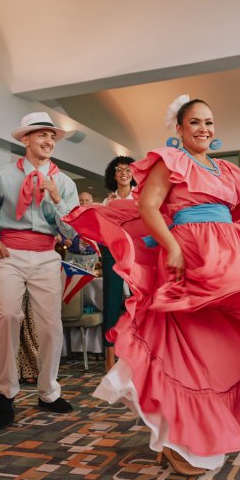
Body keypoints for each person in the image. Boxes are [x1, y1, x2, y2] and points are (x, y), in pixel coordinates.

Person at [65, 96, 240, 475]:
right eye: (195, 122)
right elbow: (148, 206)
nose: (204, 129)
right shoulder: (171, 160)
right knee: (188, 347)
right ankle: (178, 437)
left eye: (209, 123)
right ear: (179, 129)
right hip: (190, 258)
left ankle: (190, 432)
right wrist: (173, 247)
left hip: (227, 258)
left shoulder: (226, 169)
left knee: (224, 343)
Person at [0, 111, 79, 429]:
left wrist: (57, 199)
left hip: (47, 255)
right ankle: (5, 394)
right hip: (9, 253)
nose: (49, 141)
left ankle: (48, 392)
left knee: (51, 327)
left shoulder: (66, 182)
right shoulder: (2, 176)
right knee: (8, 317)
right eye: (42, 134)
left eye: (52, 136)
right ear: (26, 139)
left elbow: (70, 233)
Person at [100, 155, 137, 372]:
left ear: (133, 174)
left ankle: (137, 352)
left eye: (127, 170)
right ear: (113, 175)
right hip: (112, 252)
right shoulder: (107, 201)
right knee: (111, 303)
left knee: (138, 302)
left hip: (135, 253)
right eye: (119, 170)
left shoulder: (140, 197)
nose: (124, 173)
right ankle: (109, 354)